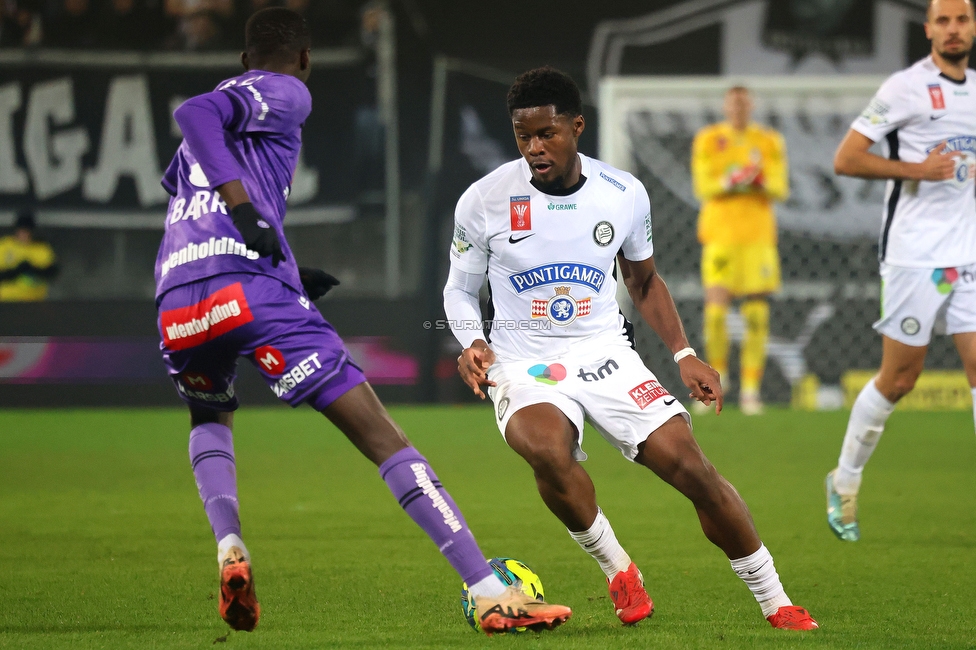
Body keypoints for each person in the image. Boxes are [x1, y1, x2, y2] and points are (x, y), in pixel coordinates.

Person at [154, 8, 571, 635]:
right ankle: (490, 592)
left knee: (209, 414)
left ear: (242, 58)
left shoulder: (209, 142)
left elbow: (194, 196)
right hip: (247, 288)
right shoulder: (285, 90)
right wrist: (247, 218)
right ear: (304, 58)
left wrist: (291, 271)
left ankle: (230, 544)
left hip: (177, 299)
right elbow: (195, 117)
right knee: (384, 440)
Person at [444, 66, 817, 631]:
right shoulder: (484, 199)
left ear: (577, 126)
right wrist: (472, 341)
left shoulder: (622, 193)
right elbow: (459, 288)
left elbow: (643, 281)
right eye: (524, 137)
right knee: (546, 449)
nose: (535, 148)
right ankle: (618, 568)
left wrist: (684, 352)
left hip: (604, 352)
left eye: (548, 133)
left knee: (692, 468)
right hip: (523, 360)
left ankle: (776, 600)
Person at [826, 0, 976, 542]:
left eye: (963, 19)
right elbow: (846, 159)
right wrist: (918, 169)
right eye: (944, 20)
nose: (954, 29)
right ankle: (844, 479)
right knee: (901, 378)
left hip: (969, 255)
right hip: (915, 256)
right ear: (929, 29)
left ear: (973, 26)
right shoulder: (905, 87)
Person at [690, 86, 789, 415]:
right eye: (733, 103)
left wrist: (758, 181)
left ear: (752, 105)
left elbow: (780, 187)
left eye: (744, 102)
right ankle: (718, 380)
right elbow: (703, 186)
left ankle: (750, 390)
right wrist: (732, 181)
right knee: (716, 314)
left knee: (757, 315)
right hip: (720, 235)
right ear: (725, 106)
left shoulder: (769, 140)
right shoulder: (708, 139)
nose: (738, 108)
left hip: (758, 237)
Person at [0, 209, 58, 301]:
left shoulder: (40, 248)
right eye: (22, 230)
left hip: (34, 302)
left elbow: (51, 272)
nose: (24, 234)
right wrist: (16, 271)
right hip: (7, 301)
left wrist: (33, 270)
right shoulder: (5, 245)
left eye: (27, 230)